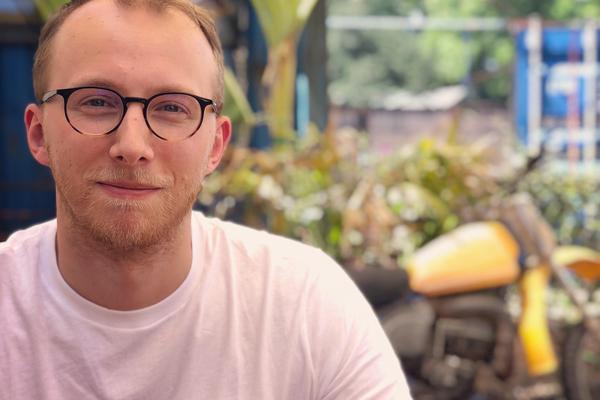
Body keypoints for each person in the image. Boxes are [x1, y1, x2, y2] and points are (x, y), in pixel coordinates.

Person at [0, 0, 412, 398]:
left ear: (216, 146)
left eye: (172, 108)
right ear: (38, 133)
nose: (132, 145)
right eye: (96, 102)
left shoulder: (306, 306)